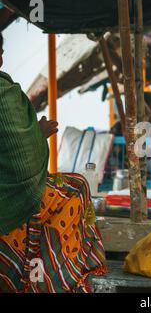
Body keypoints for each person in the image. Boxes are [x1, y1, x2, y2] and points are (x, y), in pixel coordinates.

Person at [0, 34, 107, 292]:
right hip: (7, 200)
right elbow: (21, 162)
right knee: (77, 187)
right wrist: (38, 134)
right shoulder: (3, 93)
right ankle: (58, 272)